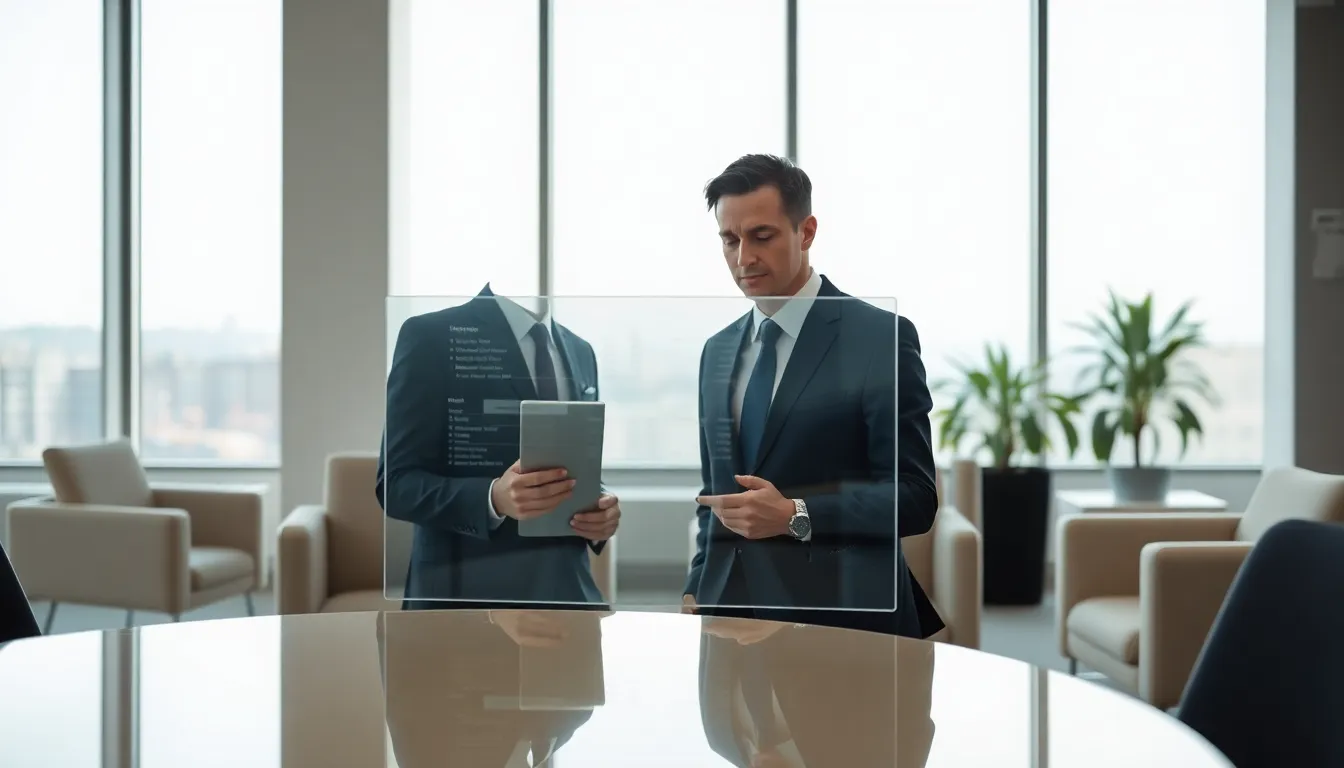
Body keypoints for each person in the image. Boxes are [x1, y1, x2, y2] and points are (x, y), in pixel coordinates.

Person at [683, 154, 943, 638]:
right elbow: (716, 494)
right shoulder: (716, 350)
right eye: (729, 240)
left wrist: (796, 515)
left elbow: (916, 498)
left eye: (762, 236)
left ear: (806, 232)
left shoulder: (879, 337)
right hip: (732, 620)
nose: (744, 258)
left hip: (845, 619)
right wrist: (697, 587)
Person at [376, 284, 620, 609]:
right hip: (462, 605)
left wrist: (600, 517)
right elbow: (395, 485)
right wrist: (493, 499)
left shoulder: (580, 349)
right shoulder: (429, 336)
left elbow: (575, 469)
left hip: (568, 600)